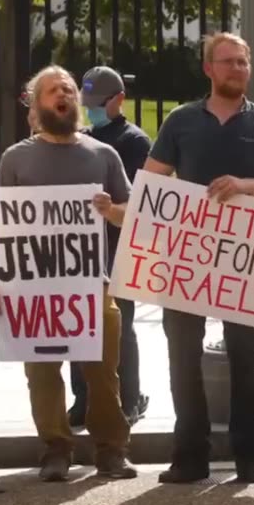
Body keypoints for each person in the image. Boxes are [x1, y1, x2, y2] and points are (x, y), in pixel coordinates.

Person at [144, 33, 254, 484]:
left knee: (246, 358)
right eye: (228, 62)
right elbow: (152, 185)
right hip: (187, 258)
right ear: (208, 69)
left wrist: (246, 185)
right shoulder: (180, 121)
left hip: (244, 259)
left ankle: (252, 456)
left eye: (243, 62)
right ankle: (190, 456)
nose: (237, 69)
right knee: (182, 357)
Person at [0, 65, 138, 482]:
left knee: (103, 371)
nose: (63, 94)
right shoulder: (16, 159)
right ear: (37, 104)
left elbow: (130, 216)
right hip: (32, 289)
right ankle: (56, 448)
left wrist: (111, 210)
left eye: (68, 88)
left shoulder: (104, 155)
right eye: (53, 90)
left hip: (93, 284)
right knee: (41, 371)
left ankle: (112, 449)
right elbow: (1, 224)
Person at [64, 66, 151, 428]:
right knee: (77, 322)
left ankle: (128, 399)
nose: (91, 110)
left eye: (98, 104)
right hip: (81, 248)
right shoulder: (78, 138)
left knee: (120, 326)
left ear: (119, 100)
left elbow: (140, 201)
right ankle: (83, 398)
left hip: (118, 247)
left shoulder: (134, 141)